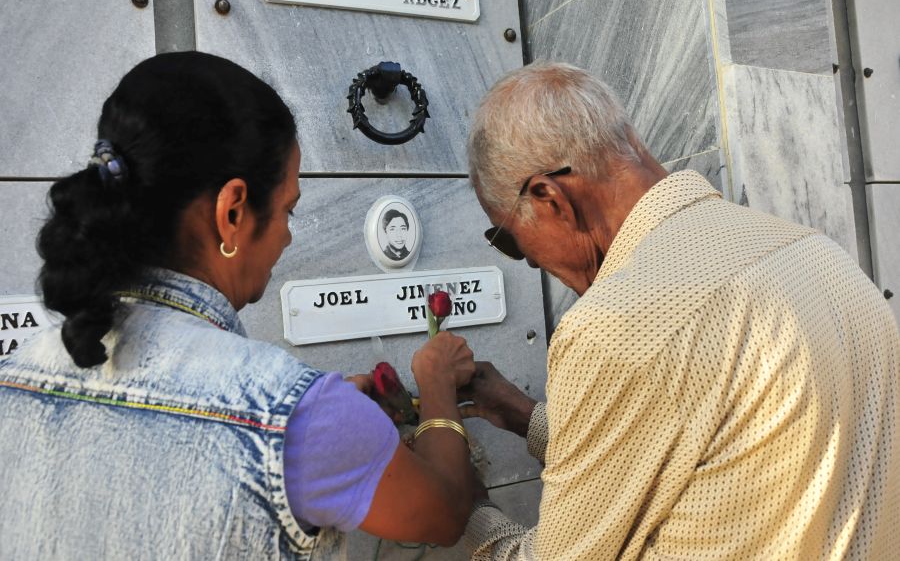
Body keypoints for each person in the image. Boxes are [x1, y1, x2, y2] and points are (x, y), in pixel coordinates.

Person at [0, 51, 477, 559]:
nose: (287, 238)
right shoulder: (298, 419)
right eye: (287, 210)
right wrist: (436, 381)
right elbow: (445, 512)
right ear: (231, 213)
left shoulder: (11, 380)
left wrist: (335, 425)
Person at [457, 62, 900, 559]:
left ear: (548, 197)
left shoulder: (615, 326)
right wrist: (524, 417)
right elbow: (709, 446)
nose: (532, 261)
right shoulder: (816, 253)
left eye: (510, 240)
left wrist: (465, 507)